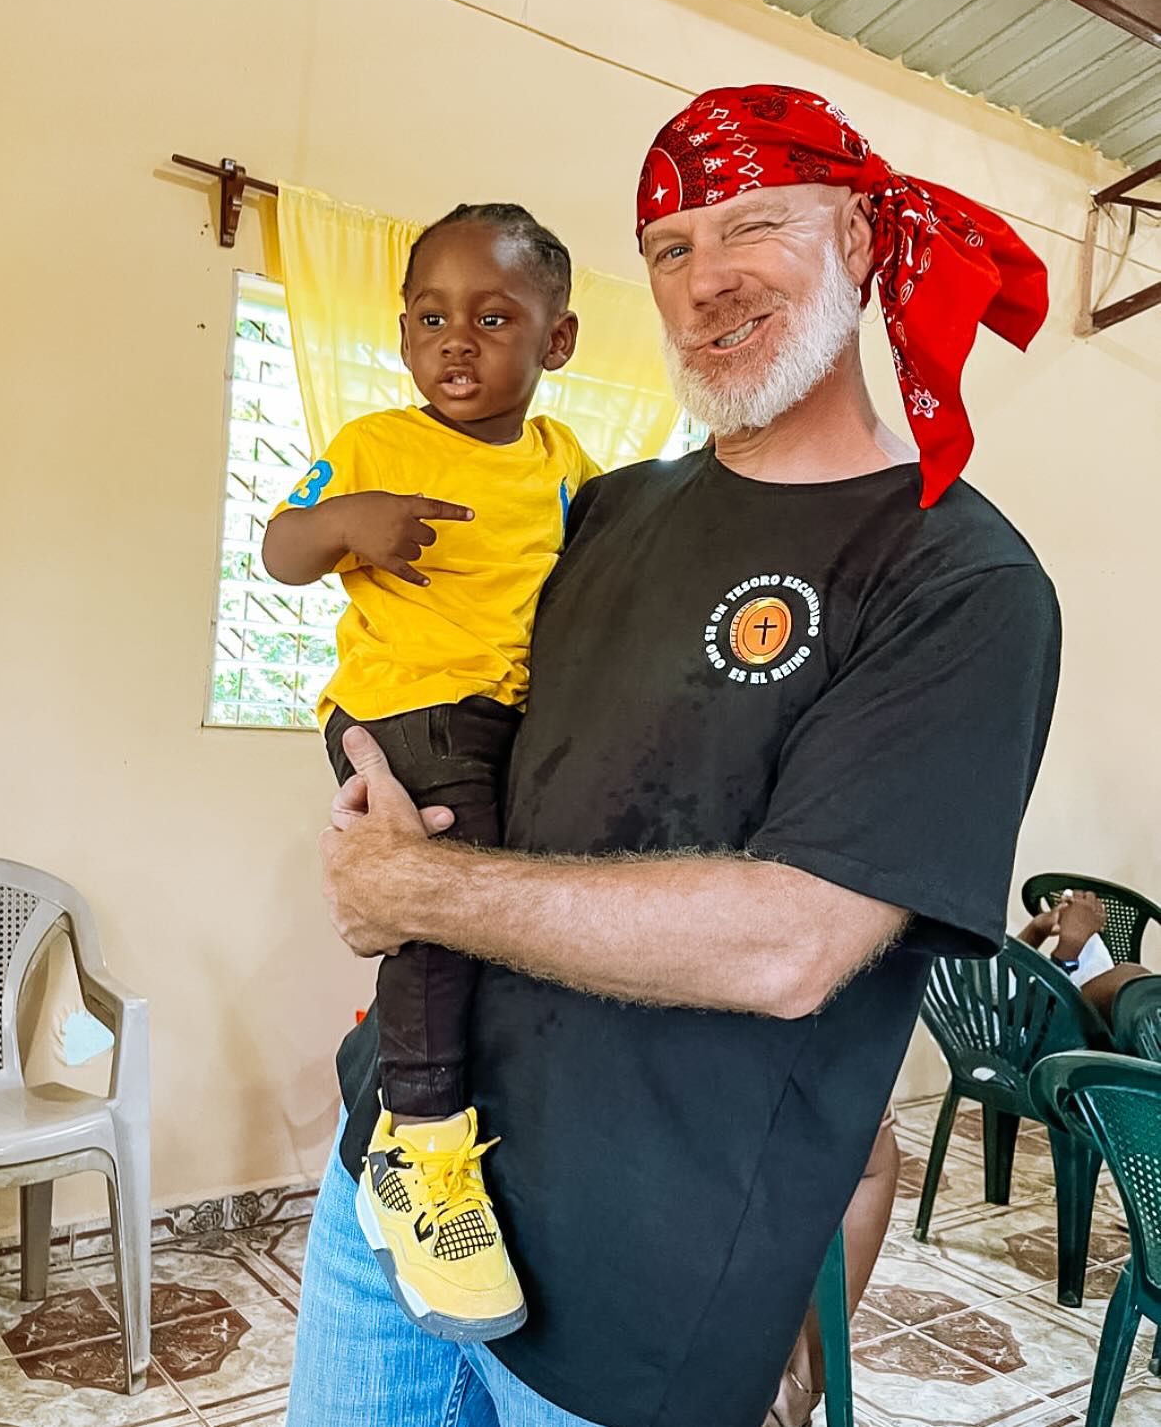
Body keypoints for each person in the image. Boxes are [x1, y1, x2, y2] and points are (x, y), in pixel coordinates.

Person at [289, 85, 1060, 1427]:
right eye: (669, 246)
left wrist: (409, 893)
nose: (705, 282)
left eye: (751, 226)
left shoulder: (956, 578)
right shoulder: (601, 509)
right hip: (401, 1205)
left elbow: (790, 942)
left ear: (866, 239)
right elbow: (447, 704)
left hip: (646, 1295)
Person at [263, 203, 600, 1342]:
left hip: (507, 717)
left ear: (555, 342)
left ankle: (478, 1111)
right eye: (429, 316)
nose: (455, 339)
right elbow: (280, 545)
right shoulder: (373, 441)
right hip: (403, 706)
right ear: (401, 333)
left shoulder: (566, 469)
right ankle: (419, 1140)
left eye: (493, 316)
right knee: (434, 899)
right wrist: (348, 520)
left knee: (505, 910)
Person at [1019, 888, 1153, 1023]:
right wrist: (1067, 951)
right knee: (1136, 989)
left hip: (1034, 1005)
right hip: (1035, 1034)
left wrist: (1038, 928)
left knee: (1135, 984)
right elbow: (1015, 1021)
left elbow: (1002, 976)